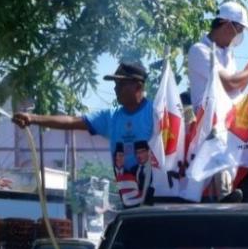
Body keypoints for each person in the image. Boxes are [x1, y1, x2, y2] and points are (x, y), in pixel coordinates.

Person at [12, 61, 153, 208]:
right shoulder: (111, 117)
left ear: (138, 86)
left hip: (158, 202)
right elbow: (72, 121)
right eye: (115, 84)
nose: (116, 89)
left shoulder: (155, 114)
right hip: (130, 202)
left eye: (121, 84)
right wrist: (33, 118)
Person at [186, 0, 248, 202]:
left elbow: (237, 88)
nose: (238, 35)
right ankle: (224, 198)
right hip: (209, 123)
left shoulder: (227, 53)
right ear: (226, 24)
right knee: (220, 148)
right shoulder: (200, 50)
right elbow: (230, 84)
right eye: (239, 29)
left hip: (229, 118)